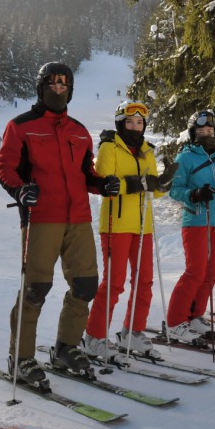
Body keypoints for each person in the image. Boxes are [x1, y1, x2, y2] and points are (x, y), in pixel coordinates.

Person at [0, 62, 120, 385]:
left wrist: (101, 184)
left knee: (85, 285)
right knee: (36, 288)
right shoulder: (21, 126)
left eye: (64, 83)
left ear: (71, 89)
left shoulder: (78, 131)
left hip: (78, 218)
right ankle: (21, 358)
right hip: (41, 218)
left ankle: (66, 347)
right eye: (51, 83)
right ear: (40, 87)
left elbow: (86, 172)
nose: (58, 87)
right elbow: (6, 168)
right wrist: (20, 190)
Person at [83, 101, 177, 359]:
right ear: (120, 124)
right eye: (130, 122)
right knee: (114, 283)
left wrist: (163, 183)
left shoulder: (146, 151)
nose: (135, 126)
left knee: (144, 281)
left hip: (143, 226)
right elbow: (106, 184)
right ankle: (94, 336)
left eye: (139, 122)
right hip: (116, 224)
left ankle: (132, 332)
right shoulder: (109, 148)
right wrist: (136, 184)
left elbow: (151, 191)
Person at [165, 110, 215, 343]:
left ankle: (195, 316)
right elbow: (174, 189)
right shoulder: (185, 158)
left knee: (211, 273)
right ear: (193, 133)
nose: (207, 133)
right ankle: (175, 322)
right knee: (195, 272)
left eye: (210, 130)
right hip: (196, 221)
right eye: (202, 130)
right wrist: (194, 194)